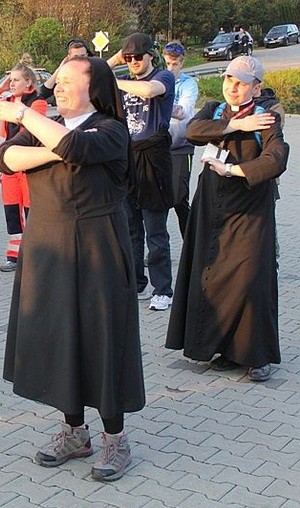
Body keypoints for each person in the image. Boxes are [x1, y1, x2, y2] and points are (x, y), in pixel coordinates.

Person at [0, 56, 144, 482]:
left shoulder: (110, 129)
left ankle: (115, 437)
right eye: (56, 82)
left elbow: (74, 148)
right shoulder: (50, 124)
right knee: (60, 337)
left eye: (68, 82)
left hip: (98, 246)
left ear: (94, 88)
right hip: (47, 244)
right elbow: (4, 158)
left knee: (102, 337)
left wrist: (25, 116)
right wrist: (50, 150)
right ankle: (75, 431)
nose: (58, 88)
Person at [165, 56, 289, 382]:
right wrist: (235, 125)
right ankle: (223, 350)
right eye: (229, 81)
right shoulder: (215, 110)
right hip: (212, 207)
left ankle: (257, 356)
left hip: (249, 210)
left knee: (251, 278)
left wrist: (233, 169)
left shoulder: (267, 118)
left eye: (242, 83)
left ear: (256, 87)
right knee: (214, 276)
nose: (232, 88)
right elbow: (192, 130)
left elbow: (276, 160)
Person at [107, 33, 176, 311]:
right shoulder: (124, 80)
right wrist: (116, 58)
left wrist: (114, 79)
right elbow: (93, 72)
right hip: (128, 158)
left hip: (154, 158)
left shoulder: (164, 77)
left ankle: (163, 288)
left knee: (155, 230)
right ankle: (137, 282)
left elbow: (149, 91)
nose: (133, 61)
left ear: (151, 55)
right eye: (128, 57)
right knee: (130, 227)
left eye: (138, 56)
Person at [0, 64, 48, 272]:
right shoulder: (7, 101)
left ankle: (34, 253)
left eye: (16, 80)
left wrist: (12, 108)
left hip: (27, 164)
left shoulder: (38, 102)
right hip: (8, 166)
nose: (12, 84)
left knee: (32, 211)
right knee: (11, 210)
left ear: (29, 82)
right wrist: (1, 85)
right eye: (10, 80)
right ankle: (14, 255)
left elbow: (29, 122)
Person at [163, 41, 198, 236]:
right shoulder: (158, 81)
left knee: (179, 198)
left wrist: (160, 101)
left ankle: (191, 248)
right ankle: (158, 250)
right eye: (167, 64)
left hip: (181, 146)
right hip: (159, 146)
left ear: (182, 64)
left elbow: (183, 112)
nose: (170, 68)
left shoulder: (188, 84)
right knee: (156, 201)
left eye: (174, 64)